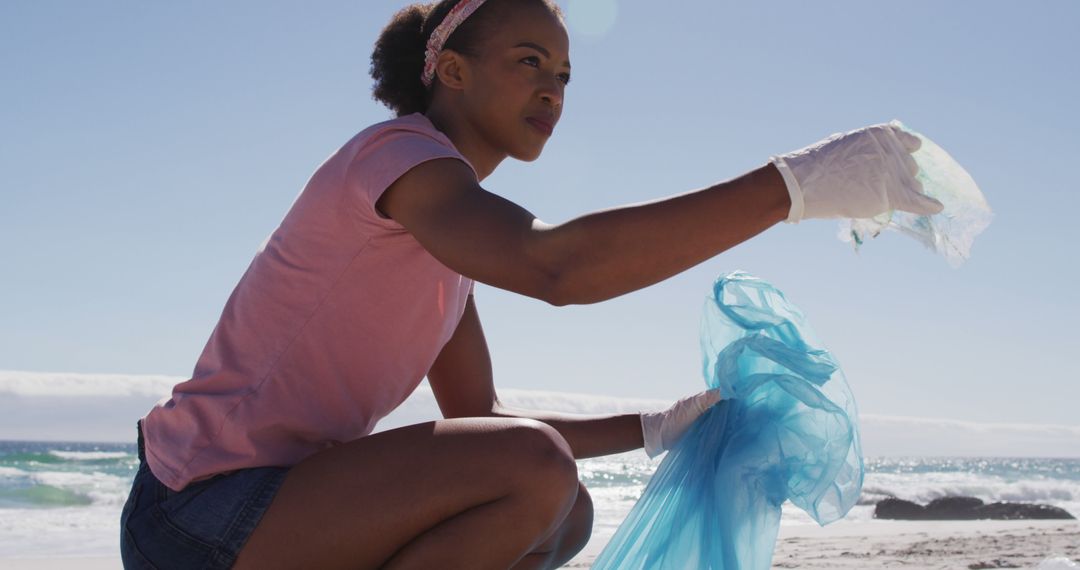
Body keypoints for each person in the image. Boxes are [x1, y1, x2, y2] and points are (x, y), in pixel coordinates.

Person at [118, 0, 943, 568]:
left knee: (562, 507)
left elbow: (476, 423)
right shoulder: (395, 158)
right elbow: (558, 268)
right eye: (527, 60)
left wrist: (657, 426)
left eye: (564, 73)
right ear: (450, 70)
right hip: (198, 511)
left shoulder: (447, 244)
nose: (552, 86)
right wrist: (790, 188)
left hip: (272, 512)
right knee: (534, 473)